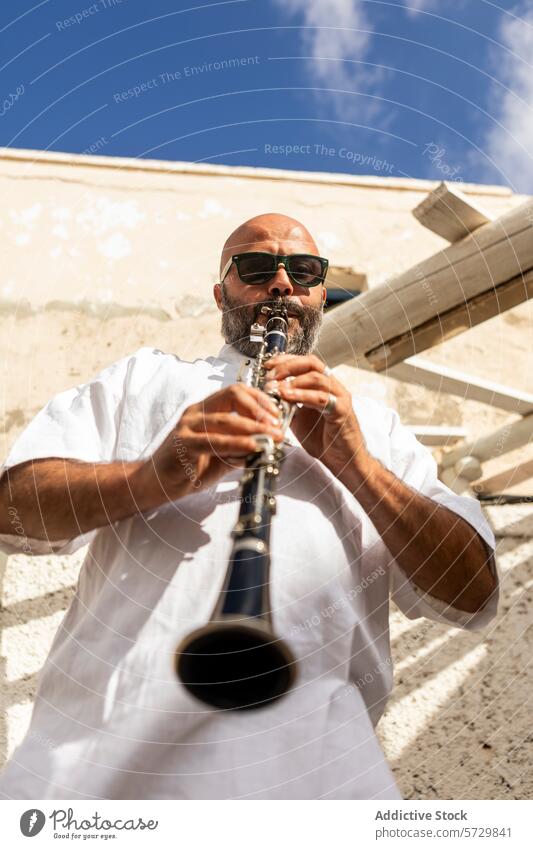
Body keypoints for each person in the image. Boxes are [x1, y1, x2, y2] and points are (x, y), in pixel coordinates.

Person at [0, 213, 498, 800]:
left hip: (319, 782)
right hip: (101, 772)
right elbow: (12, 510)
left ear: (320, 291)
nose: (282, 283)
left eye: (305, 271)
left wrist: (356, 462)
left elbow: (474, 593)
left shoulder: (377, 428)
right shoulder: (143, 379)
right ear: (222, 292)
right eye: (257, 268)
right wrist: (153, 474)